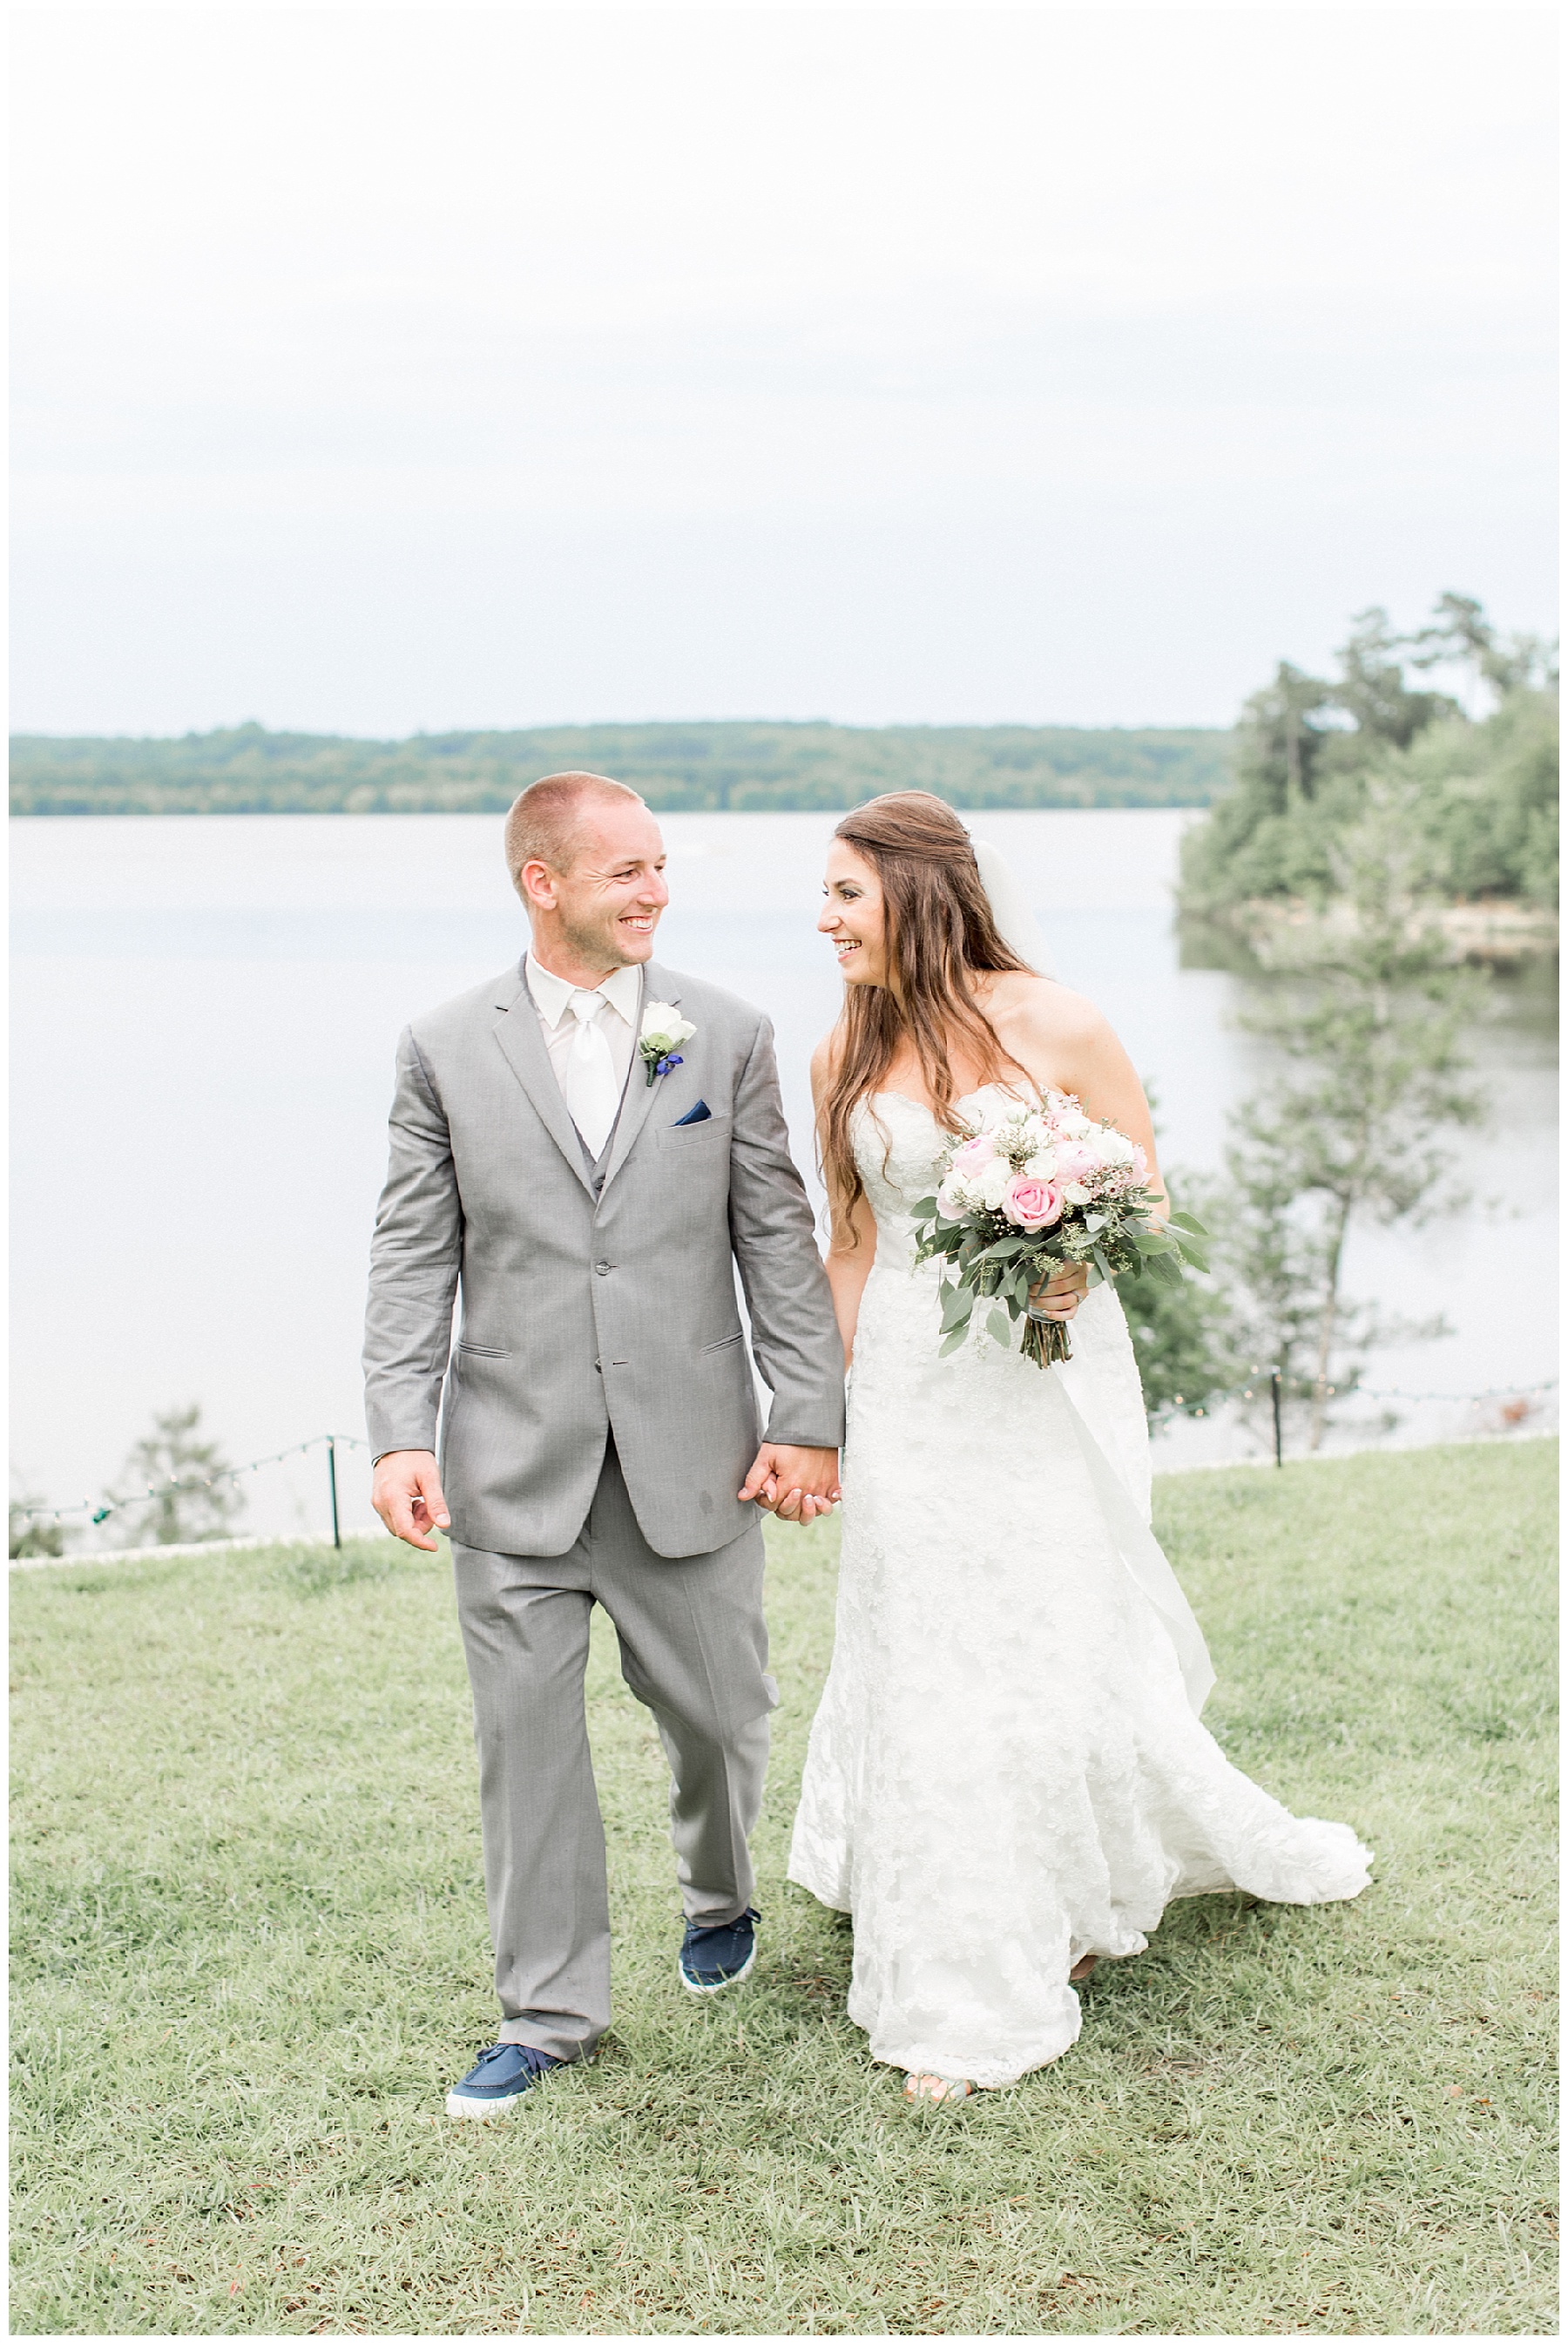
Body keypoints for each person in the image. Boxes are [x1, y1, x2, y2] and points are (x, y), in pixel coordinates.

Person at [787, 791, 1372, 2102]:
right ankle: (942, 1901)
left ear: (922, 891)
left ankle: (1039, 1910)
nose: (821, 919)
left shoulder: (1059, 1021)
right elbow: (851, 1246)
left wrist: (1069, 1266)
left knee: (1043, 1630)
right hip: (906, 1393)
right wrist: (811, 1417)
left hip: (1039, 1386)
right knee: (926, 1641)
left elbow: (1146, 1200)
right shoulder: (841, 1052)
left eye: (842, 893)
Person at [364, 770, 845, 2120]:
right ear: (544, 883)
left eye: (661, 866)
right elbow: (413, 1255)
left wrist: (807, 1415)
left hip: (690, 1454)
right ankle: (549, 2011)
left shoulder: (726, 1034)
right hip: (509, 1462)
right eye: (627, 869)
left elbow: (775, 1240)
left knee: (718, 1716)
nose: (656, 890)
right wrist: (401, 1429)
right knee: (526, 1745)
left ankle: (720, 1885)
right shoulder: (443, 1045)